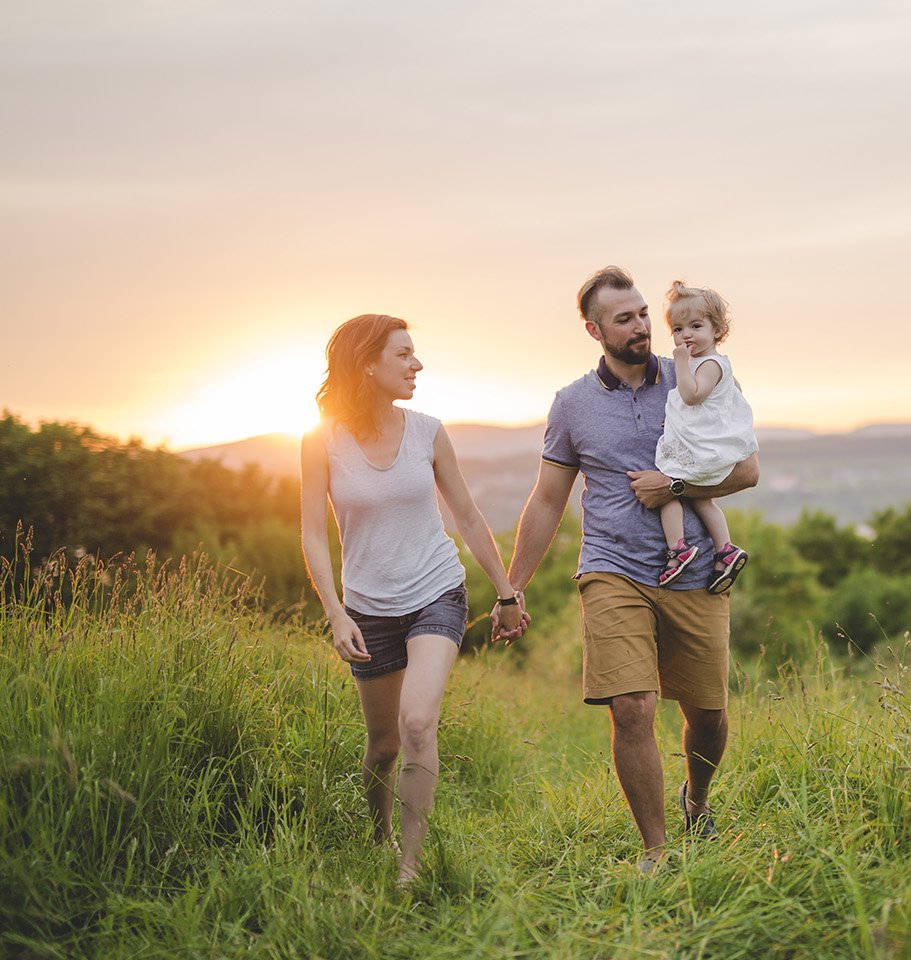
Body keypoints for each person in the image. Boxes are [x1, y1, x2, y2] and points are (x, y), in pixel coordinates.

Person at [498, 267, 759, 874]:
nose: (644, 326)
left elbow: (746, 472)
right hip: (612, 568)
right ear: (594, 330)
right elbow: (545, 500)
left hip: (694, 570)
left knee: (709, 715)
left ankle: (698, 799)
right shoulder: (573, 405)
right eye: (626, 318)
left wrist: (675, 483)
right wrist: (513, 586)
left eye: (644, 313)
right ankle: (656, 851)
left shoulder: (696, 372)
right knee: (633, 706)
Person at [299, 313, 528, 884]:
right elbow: (311, 534)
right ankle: (377, 840)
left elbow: (469, 517)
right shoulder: (319, 441)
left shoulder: (428, 430)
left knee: (419, 723)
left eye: (414, 353)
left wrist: (506, 593)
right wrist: (335, 612)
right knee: (382, 746)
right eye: (403, 355)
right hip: (367, 609)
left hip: (435, 591)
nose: (416, 364)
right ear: (366, 364)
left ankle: (410, 867)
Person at [654, 280, 758, 592]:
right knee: (702, 500)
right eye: (678, 328)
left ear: (717, 330)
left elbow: (692, 396)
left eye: (696, 326)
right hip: (701, 446)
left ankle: (678, 547)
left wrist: (682, 364)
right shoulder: (713, 364)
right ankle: (725, 549)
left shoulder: (709, 364)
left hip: (700, 449)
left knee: (667, 489)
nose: (685, 335)